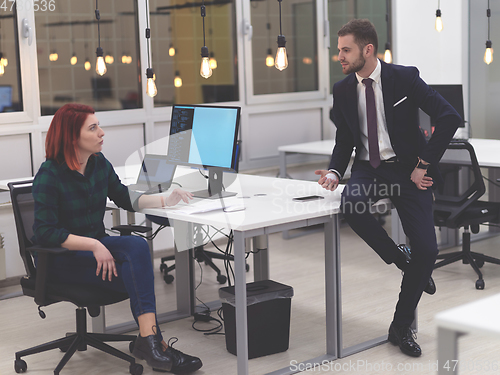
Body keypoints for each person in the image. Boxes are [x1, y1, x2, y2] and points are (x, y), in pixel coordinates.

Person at [315, 19, 461, 357]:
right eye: (338, 50)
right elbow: (345, 140)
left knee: (427, 251)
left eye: (345, 50)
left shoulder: (404, 78)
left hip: (409, 170)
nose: (340, 56)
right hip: (369, 167)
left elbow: (449, 116)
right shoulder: (342, 89)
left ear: (367, 49)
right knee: (350, 205)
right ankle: (400, 257)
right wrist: (336, 172)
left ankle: (400, 326)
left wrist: (423, 164)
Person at [32, 103, 203, 373]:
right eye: (93, 127)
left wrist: (166, 199)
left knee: (136, 247)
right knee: (137, 266)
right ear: (72, 137)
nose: (102, 132)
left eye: (98, 125)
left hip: (94, 253)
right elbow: (44, 232)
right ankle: (154, 343)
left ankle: (150, 340)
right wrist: (94, 244)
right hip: (64, 261)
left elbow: (124, 197)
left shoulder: (98, 163)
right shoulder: (49, 175)